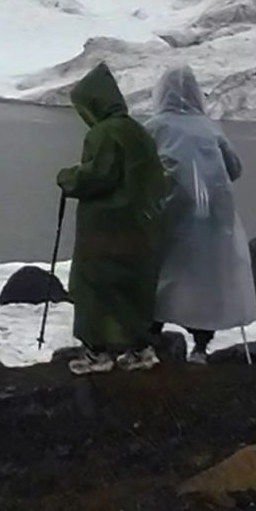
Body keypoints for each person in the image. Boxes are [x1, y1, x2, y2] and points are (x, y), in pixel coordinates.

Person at [54, 62, 169, 373]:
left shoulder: (104, 133)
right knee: (130, 288)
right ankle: (140, 349)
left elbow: (97, 177)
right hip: (139, 226)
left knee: (93, 287)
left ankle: (97, 352)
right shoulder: (138, 131)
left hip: (105, 228)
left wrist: (68, 178)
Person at [143, 64, 256, 360]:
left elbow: (137, 168)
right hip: (213, 218)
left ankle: (150, 338)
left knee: (162, 272)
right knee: (205, 278)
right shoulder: (209, 128)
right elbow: (236, 168)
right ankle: (201, 346)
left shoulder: (155, 127)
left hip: (169, 213)